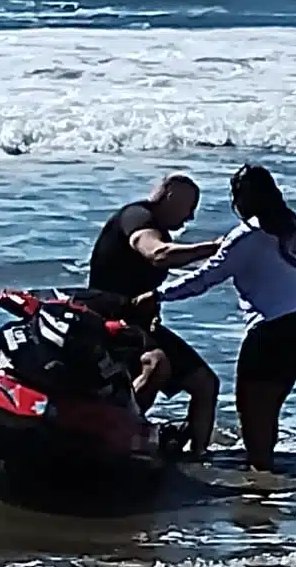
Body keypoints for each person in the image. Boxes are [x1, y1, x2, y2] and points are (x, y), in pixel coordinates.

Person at [134, 164, 296, 473]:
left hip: (271, 334)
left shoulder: (247, 236)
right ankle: (267, 474)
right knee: (268, 409)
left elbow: (204, 279)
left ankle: (260, 488)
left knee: (253, 416)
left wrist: (158, 295)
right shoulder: (291, 225)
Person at [87, 173, 222, 457]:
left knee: (205, 384)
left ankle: (199, 457)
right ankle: (111, 437)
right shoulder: (137, 217)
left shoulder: (160, 228)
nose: (191, 218)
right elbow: (157, 254)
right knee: (156, 365)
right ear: (170, 197)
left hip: (138, 324)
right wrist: (214, 248)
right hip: (105, 318)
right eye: (189, 208)